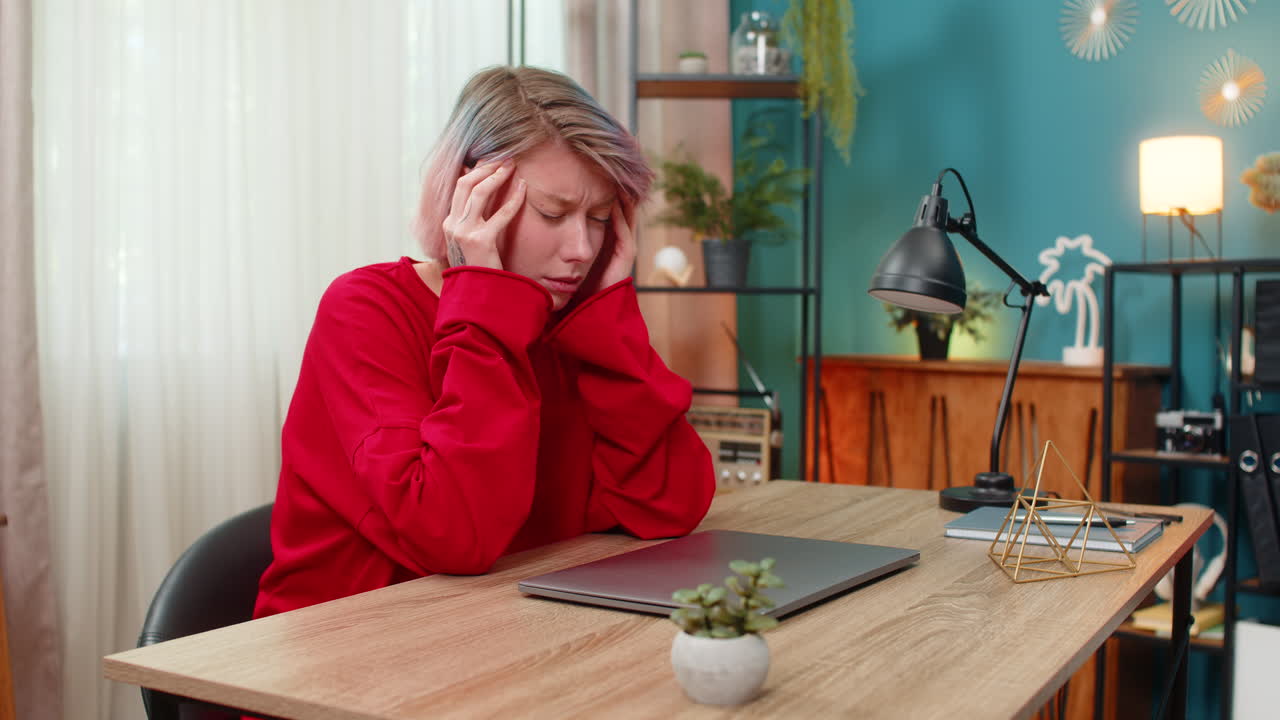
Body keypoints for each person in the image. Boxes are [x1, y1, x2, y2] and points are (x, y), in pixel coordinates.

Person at [254, 66, 716, 618]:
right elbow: (453, 535)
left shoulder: (570, 321)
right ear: (470, 198)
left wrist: (608, 319)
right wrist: (487, 304)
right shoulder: (365, 309)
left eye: (598, 218)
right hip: (354, 643)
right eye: (552, 212)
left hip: (509, 628)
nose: (582, 248)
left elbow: (670, 506)